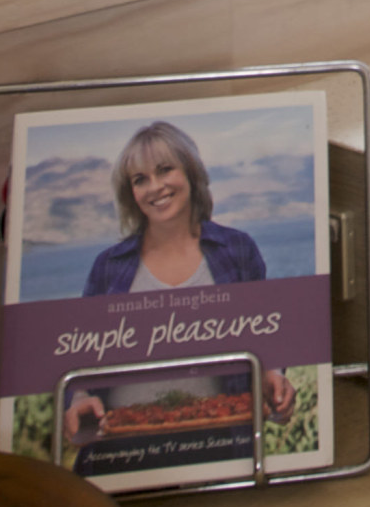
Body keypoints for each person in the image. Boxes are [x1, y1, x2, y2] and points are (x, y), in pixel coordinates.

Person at [83, 121, 292, 417]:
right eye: (140, 179)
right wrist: (78, 397)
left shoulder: (238, 250)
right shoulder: (108, 267)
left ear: (191, 173)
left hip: (219, 437)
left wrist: (274, 376)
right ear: (131, 193)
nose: (155, 187)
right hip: (119, 444)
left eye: (165, 169)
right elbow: (78, 359)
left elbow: (266, 339)